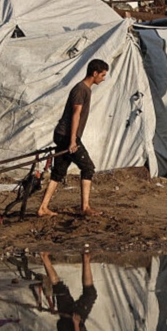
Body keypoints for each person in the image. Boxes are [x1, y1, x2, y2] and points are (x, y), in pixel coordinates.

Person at [37, 59, 109, 218]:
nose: (103, 78)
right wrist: (72, 141)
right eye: (102, 75)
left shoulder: (85, 89)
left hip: (65, 135)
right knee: (88, 167)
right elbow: (75, 114)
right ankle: (85, 207)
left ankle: (43, 208)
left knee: (59, 172)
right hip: (66, 135)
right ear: (94, 73)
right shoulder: (80, 89)